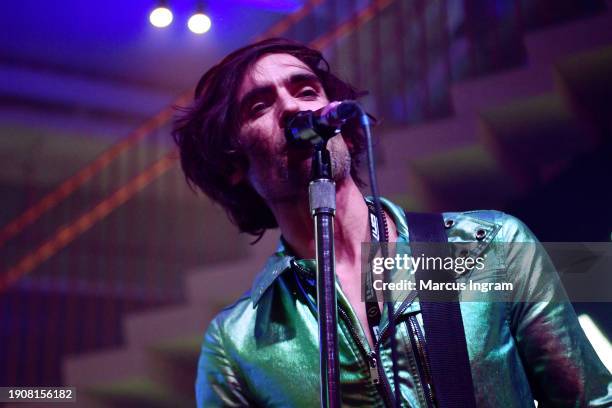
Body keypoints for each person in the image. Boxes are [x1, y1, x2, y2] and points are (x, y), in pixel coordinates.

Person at [173, 38, 611, 407]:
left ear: (338, 120)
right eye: (260, 106)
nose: (292, 109)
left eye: (306, 92)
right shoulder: (237, 343)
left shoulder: (484, 248)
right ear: (232, 163)